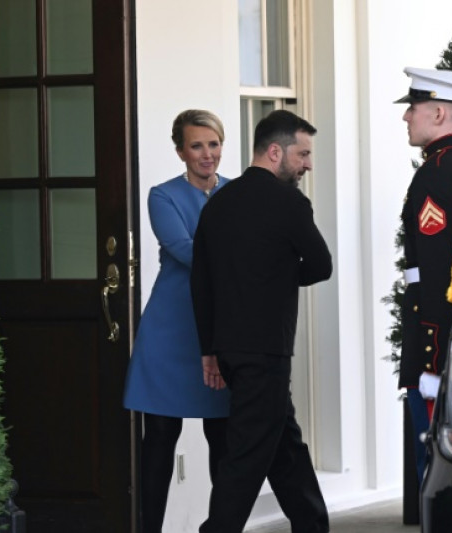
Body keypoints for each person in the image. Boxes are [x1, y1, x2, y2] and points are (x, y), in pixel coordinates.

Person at [191, 109, 332, 533]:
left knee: (283, 444)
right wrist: (281, 276)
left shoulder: (218, 204)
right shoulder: (289, 201)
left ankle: (312, 524)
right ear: (275, 151)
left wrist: (209, 350)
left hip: (230, 349)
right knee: (247, 455)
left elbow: (202, 283)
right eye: (303, 154)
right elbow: (321, 265)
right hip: (266, 350)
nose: (308, 163)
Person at [122, 109, 231, 533]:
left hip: (220, 331)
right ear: (180, 151)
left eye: (214, 144)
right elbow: (184, 250)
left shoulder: (237, 192)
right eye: (197, 145)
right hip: (170, 332)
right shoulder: (162, 196)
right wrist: (240, 262)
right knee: (160, 441)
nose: (207, 154)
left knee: (222, 440)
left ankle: (224, 527)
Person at [393, 67, 452, 484]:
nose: (406, 117)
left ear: (440, 113)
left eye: (413, 108)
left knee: (435, 465)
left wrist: (430, 353)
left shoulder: (436, 172)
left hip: (437, 333)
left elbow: (436, 269)